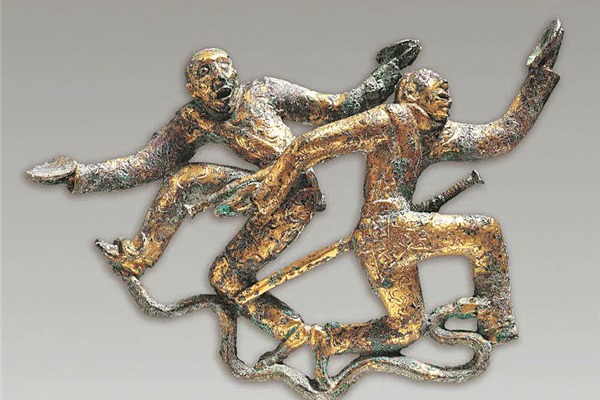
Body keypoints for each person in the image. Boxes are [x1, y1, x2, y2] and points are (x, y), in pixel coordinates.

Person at [27, 41, 420, 366]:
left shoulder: (264, 92)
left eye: (222, 69)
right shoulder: (195, 120)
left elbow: (337, 107)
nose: (218, 80)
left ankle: (138, 258)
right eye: (205, 75)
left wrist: (389, 70)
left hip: (294, 191)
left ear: (235, 71)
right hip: (260, 194)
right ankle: (291, 331)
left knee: (188, 186)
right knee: (225, 276)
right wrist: (80, 174)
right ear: (193, 90)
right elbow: (148, 163)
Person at [220, 20, 562, 381]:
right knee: (483, 232)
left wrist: (539, 76)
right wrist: (270, 191)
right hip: (388, 227)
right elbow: (307, 145)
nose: (447, 97)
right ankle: (496, 320)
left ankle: (327, 340)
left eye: (447, 93)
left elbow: (501, 137)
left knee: (406, 328)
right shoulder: (393, 119)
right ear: (411, 94)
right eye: (438, 91)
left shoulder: (436, 134)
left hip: (381, 242)